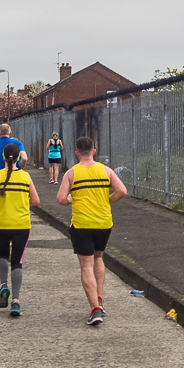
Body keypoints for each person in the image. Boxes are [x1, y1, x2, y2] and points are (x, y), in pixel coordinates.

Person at [56, 137, 128, 326]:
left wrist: (70, 201)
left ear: (77, 153)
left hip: (82, 224)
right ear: (94, 151)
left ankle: (95, 309)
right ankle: (100, 298)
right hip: (104, 223)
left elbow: (61, 198)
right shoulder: (106, 170)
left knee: (86, 265)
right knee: (98, 258)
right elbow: (122, 191)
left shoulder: (71, 174)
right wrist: (108, 200)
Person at [0, 144, 39, 317]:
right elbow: (36, 201)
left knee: (2, 254)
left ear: (4, 157)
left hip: (2, 223)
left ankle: (3, 285)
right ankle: (16, 302)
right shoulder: (25, 176)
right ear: (18, 158)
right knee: (17, 261)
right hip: (22, 224)